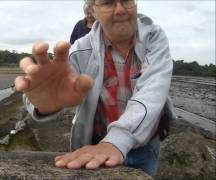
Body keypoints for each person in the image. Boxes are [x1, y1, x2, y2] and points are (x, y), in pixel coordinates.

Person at [14, 0, 174, 177]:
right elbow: (45, 93)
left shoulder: (154, 38)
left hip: (146, 146)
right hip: (98, 143)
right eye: (108, 3)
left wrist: (116, 142)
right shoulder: (80, 50)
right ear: (93, 10)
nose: (120, 10)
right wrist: (44, 104)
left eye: (127, 0)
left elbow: (152, 92)